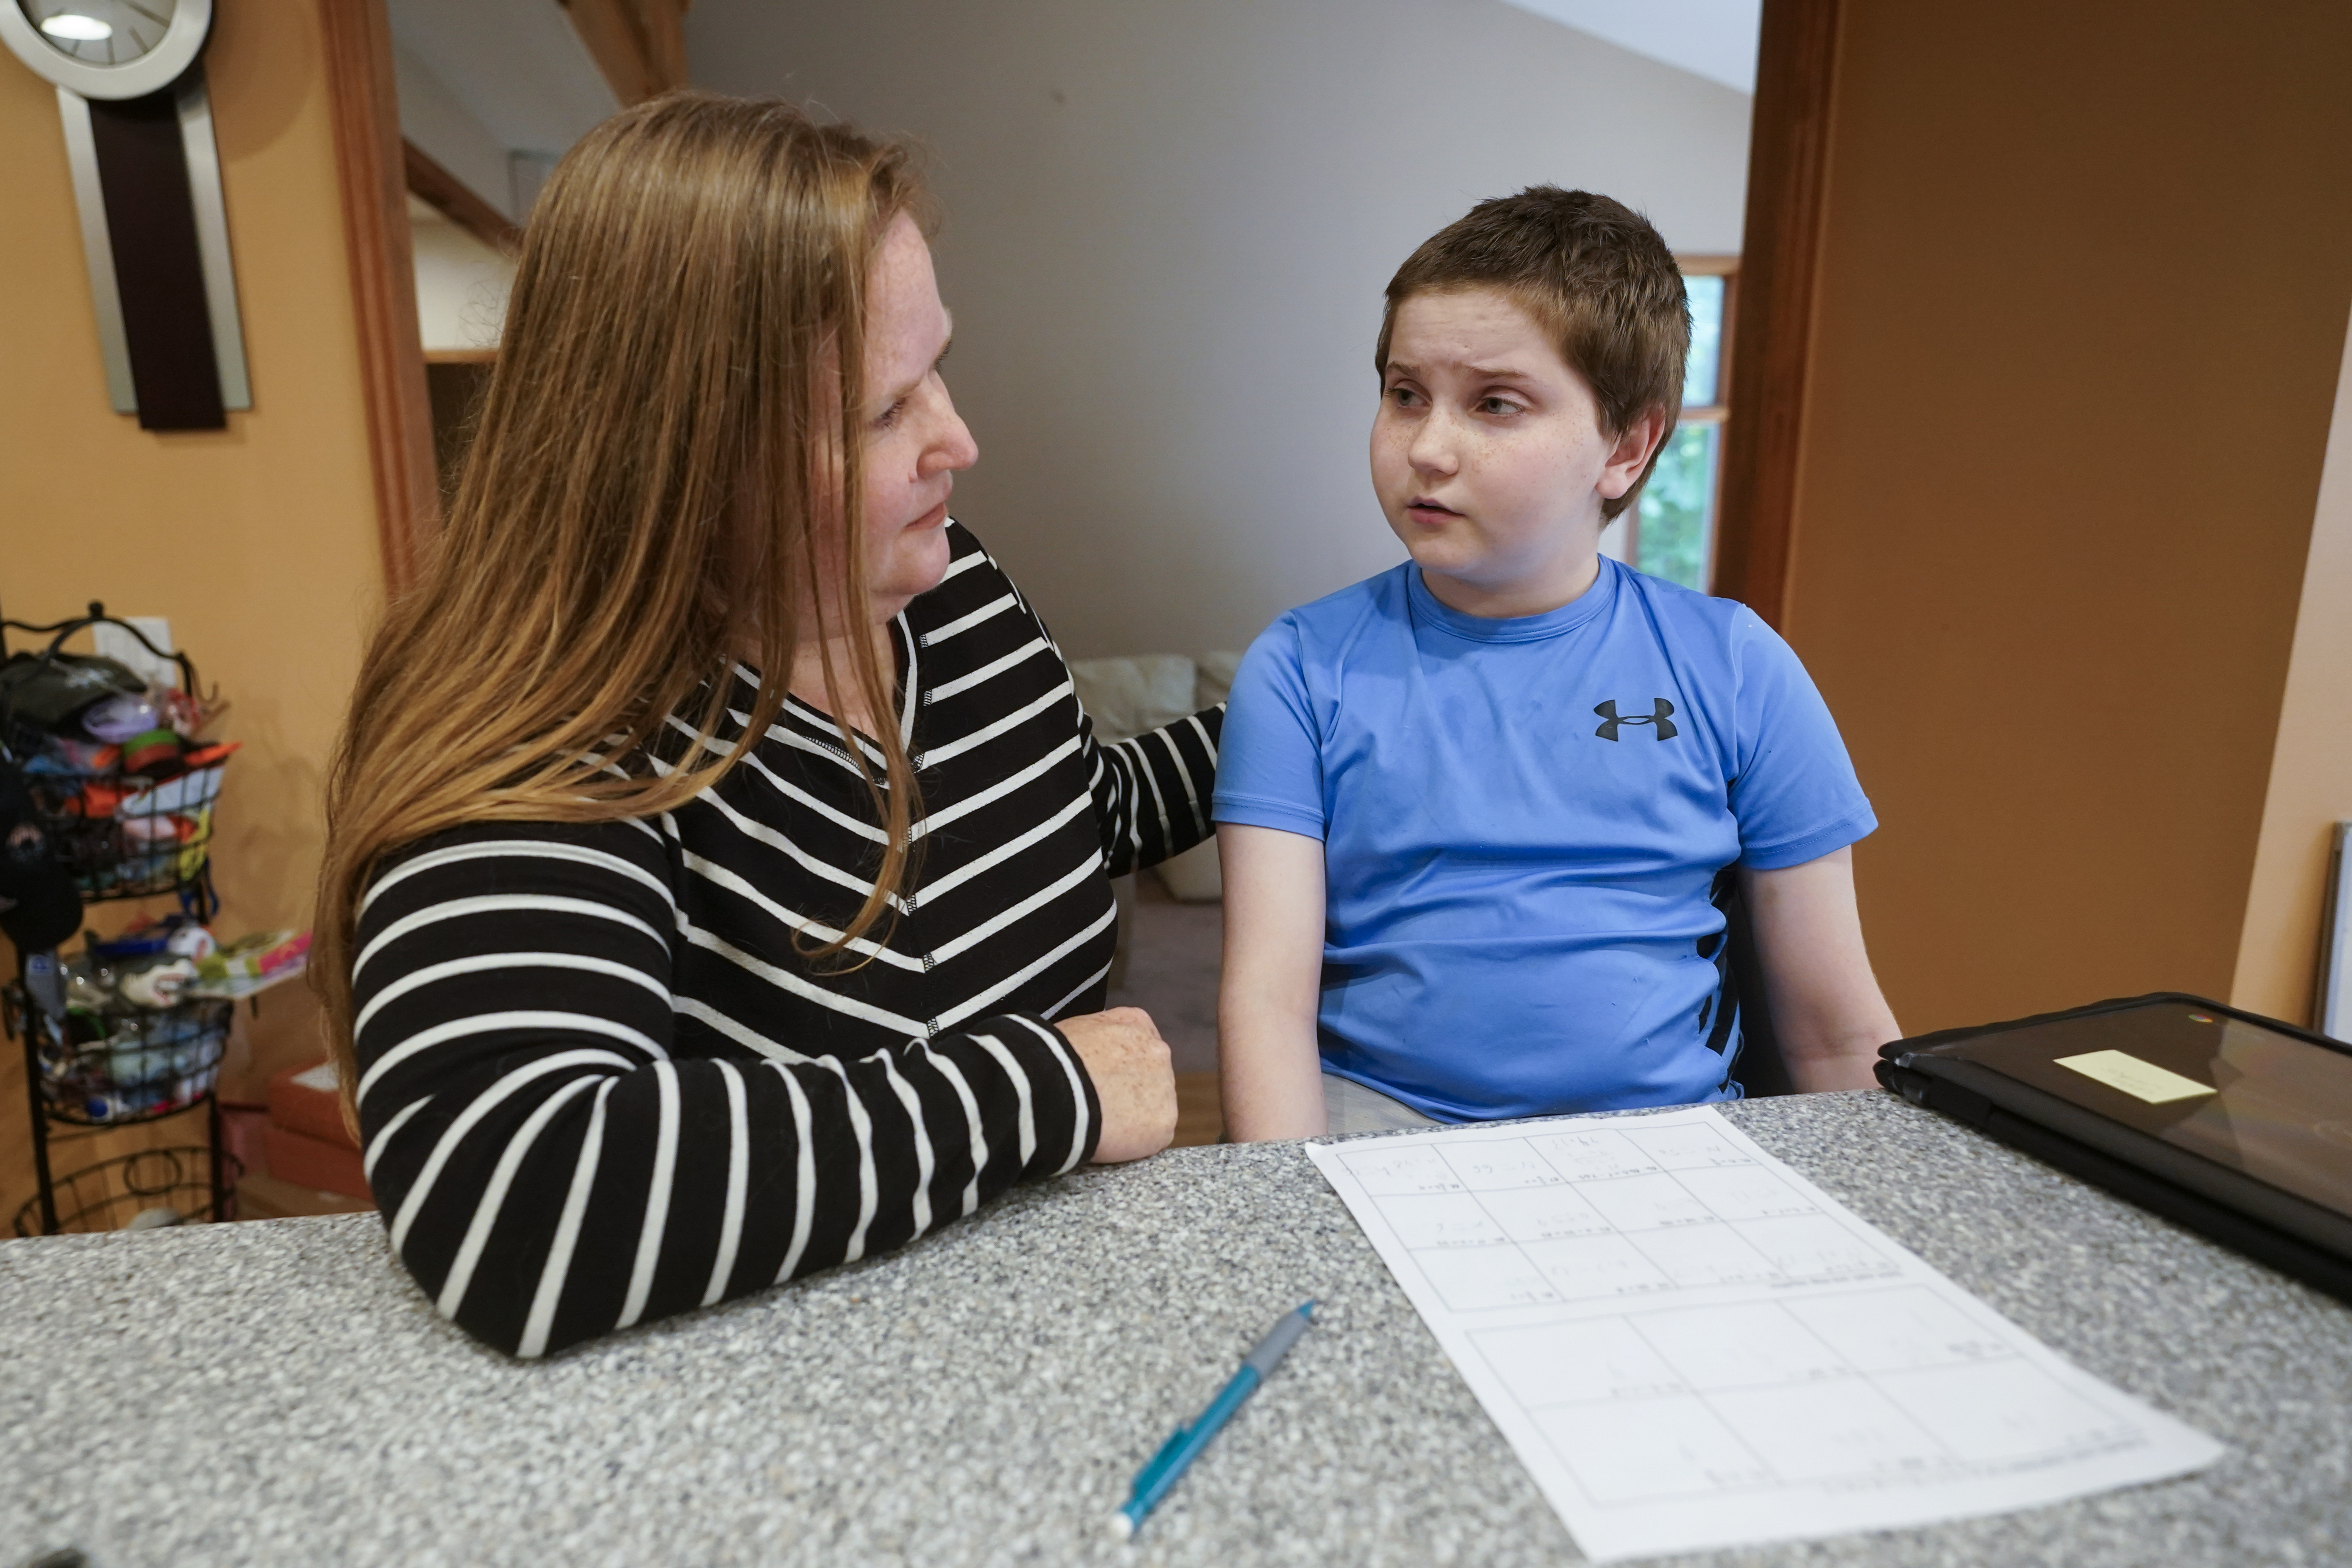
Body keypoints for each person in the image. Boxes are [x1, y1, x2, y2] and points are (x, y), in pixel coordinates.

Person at [315, 94, 1218, 1357]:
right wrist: (1049, 1089)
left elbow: (1074, 811)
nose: (958, 438)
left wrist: (1308, 730)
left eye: (935, 369)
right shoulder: (555, 740)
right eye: (882, 411)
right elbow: (516, 1188)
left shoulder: (950, 594)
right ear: (684, 456)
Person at [1214, 188, 1900, 1140]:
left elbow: (1833, 1032)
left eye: (1495, 404)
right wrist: (1297, 1222)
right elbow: (1266, 1008)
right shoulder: (1300, 668)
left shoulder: (1735, 666)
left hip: (1667, 1140)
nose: (1428, 447)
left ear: (1626, 447)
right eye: (1404, 394)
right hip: (1381, 1128)